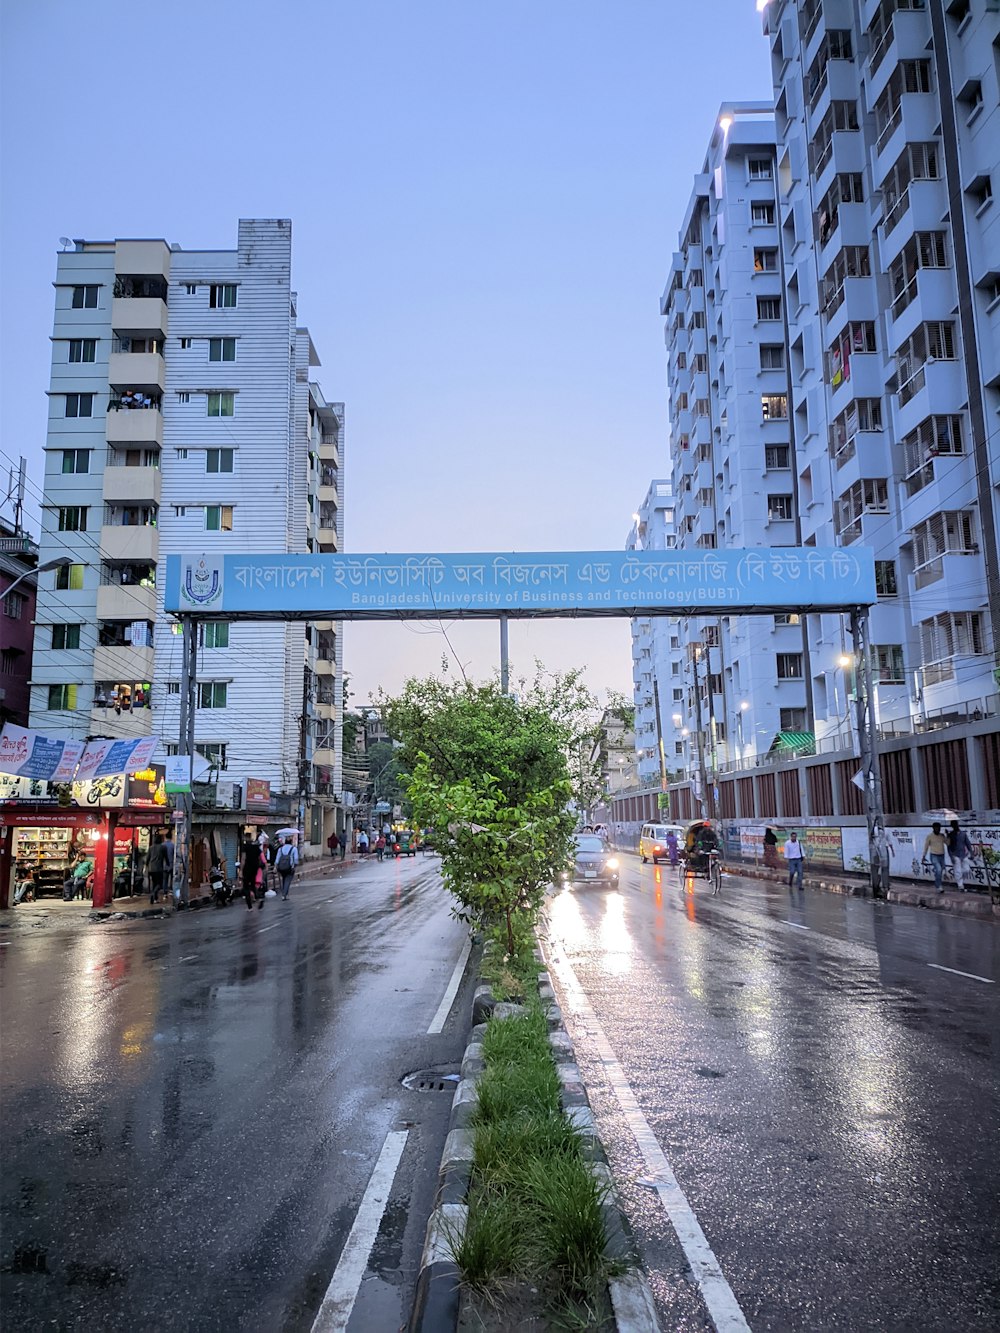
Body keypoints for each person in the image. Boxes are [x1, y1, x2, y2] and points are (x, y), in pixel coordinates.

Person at [922, 822, 948, 893]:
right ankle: (939, 886)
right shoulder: (929, 836)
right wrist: (923, 856)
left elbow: (948, 843)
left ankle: (937, 883)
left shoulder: (942, 836)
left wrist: (947, 835)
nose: (938, 829)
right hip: (934, 855)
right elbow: (926, 847)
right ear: (933, 828)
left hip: (942, 855)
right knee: (939, 870)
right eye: (936, 828)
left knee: (940, 871)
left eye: (939, 828)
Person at [948, 820, 973, 893]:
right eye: (954, 825)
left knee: (966, 870)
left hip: (964, 854)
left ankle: (961, 881)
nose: (955, 826)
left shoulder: (963, 834)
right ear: (952, 826)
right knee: (958, 871)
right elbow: (948, 847)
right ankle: (960, 885)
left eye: (956, 824)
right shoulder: (950, 835)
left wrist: (971, 853)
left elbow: (968, 844)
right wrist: (951, 856)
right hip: (955, 854)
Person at [240, 836, 263, 911]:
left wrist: (240, 870)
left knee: (246, 887)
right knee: (253, 885)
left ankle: (250, 907)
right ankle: (258, 898)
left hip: (247, 869)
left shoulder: (245, 847)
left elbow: (243, 859)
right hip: (255, 868)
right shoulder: (256, 847)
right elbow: (260, 858)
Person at [274, 836, 298, 901]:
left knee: (284, 879)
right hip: (290, 867)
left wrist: (275, 866)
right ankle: (284, 895)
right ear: (291, 842)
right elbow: (296, 859)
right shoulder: (294, 849)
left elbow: (277, 859)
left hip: (281, 868)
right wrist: (295, 866)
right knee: (287, 880)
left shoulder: (280, 849)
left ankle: (285, 894)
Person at [148, 834, 167, 904]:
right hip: (158, 868)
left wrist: (146, 867)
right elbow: (166, 857)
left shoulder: (151, 848)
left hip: (151, 868)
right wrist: (168, 864)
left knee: (154, 883)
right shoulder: (163, 847)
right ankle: (153, 894)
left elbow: (147, 858)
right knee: (160, 884)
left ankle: (155, 898)